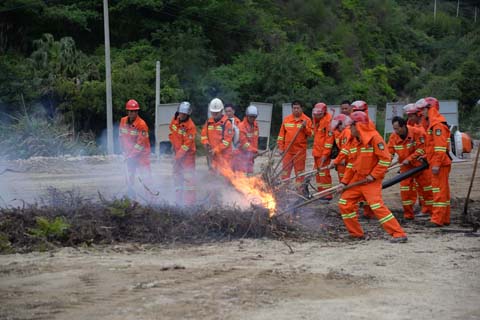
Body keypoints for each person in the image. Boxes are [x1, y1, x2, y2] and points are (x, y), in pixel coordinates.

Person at [338, 111, 408, 243]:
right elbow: (351, 164)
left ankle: (399, 234)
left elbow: (385, 159)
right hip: (357, 180)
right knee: (344, 203)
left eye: (351, 126)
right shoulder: (354, 141)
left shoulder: (375, 138)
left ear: (358, 126)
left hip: (371, 181)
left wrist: (373, 175)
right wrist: (344, 182)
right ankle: (356, 234)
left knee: (376, 206)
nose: (349, 129)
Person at [415, 97, 452, 227]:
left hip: (440, 164)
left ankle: (437, 219)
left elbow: (440, 148)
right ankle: (444, 218)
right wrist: (426, 156)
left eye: (423, 110)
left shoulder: (437, 125)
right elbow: (433, 147)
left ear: (430, 109)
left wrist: (435, 164)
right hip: (439, 162)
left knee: (438, 192)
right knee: (443, 192)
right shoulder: (433, 124)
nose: (421, 113)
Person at [387, 116, 432, 220]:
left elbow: (423, 148)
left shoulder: (417, 133)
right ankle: (408, 214)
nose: (395, 131)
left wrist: (410, 158)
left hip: (420, 166)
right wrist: (385, 165)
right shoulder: (393, 137)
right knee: (405, 191)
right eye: (394, 128)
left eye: (397, 128)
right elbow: (389, 153)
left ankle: (429, 211)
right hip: (406, 168)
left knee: (426, 190)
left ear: (403, 127)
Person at [403, 103, 434, 217]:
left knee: (426, 187)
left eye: (412, 115)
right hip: (414, 162)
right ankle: (425, 208)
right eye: (409, 116)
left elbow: (424, 147)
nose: (410, 118)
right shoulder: (409, 126)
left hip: (423, 162)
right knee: (420, 188)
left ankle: (429, 209)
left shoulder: (420, 128)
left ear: (418, 114)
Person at [277, 100, 313, 193]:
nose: (296, 110)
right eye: (294, 108)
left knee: (300, 173)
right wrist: (281, 148)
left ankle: (299, 191)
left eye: (298, 108)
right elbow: (281, 135)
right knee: (285, 172)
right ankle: (283, 190)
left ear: (302, 109)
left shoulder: (307, 120)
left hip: (299, 152)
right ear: (292, 109)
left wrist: (305, 127)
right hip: (287, 151)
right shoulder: (287, 119)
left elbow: (310, 134)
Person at [119, 99, 151, 199]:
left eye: (134, 111)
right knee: (129, 177)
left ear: (137, 112)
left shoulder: (142, 125)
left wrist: (130, 156)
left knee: (146, 177)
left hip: (142, 155)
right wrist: (123, 151)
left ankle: (151, 200)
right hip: (129, 154)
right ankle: (131, 198)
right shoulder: (123, 121)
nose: (132, 113)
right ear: (127, 111)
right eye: (130, 111)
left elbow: (140, 145)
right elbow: (121, 136)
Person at [169, 101, 197, 206]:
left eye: (184, 114)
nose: (182, 115)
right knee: (177, 177)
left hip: (187, 157)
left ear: (188, 114)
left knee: (189, 180)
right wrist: (172, 143)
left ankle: (189, 204)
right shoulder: (175, 120)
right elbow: (172, 130)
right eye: (180, 113)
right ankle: (178, 201)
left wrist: (177, 157)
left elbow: (186, 145)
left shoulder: (191, 126)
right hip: (177, 153)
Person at [201, 98, 234, 173]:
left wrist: (216, 149)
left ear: (221, 111)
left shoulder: (227, 123)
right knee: (213, 174)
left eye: (216, 112)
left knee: (225, 175)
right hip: (212, 154)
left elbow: (227, 141)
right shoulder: (209, 122)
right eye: (213, 112)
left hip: (224, 155)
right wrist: (205, 142)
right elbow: (203, 135)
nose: (214, 114)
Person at [311, 102, 334, 198]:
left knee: (324, 174)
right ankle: (321, 193)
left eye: (318, 114)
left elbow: (329, 141)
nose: (317, 116)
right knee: (318, 174)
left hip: (323, 154)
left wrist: (325, 154)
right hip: (317, 152)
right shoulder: (318, 121)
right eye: (315, 114)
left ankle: (327, 195)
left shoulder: (328, 122)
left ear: (323, 113)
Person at [235, 105, 259, 174]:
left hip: (250, 154)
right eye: (250, 116)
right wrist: (254, 150)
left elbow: (255, 140)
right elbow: (244, 143)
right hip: (241, 154)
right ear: (247, 115)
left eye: (254, 117)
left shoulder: (255, 126)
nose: (252, 118)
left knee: (250, 172)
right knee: (241, 173)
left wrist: (254, 152)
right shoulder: (241, 126)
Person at [330, 114, 353, 182]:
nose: (336, 127)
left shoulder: (347, 132)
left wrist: (339, 160)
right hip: (342, 159)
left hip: (347, 160)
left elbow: (346, 148)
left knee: (346, 180)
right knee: (342, 179)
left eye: (337, 124)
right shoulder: (340, 132)